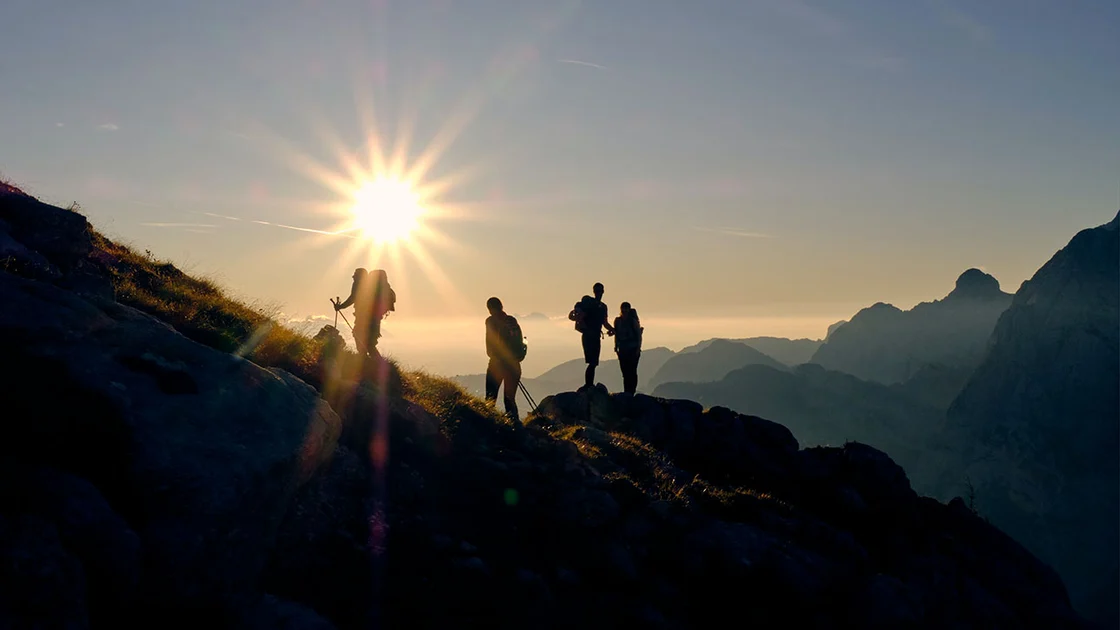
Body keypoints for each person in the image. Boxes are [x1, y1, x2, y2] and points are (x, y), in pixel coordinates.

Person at [334, 268, 395, 358]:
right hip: (375, 318)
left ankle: (367, 360)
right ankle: (369, 361)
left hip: (364, 318)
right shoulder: (372, 286)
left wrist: (340, 307)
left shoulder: (359, 283)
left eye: (355, 275)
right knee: (369, 342)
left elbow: (352, 298)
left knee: (360, 337)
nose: (353, 277)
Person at [484, 297, 525, 421]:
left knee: (490, 398)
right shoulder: (512, 321)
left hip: (497, 365)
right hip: (514, 365)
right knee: (509, 398)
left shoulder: (490, 321)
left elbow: (490, 346)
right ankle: (515, 426)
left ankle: (488, 424)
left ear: (490, 309)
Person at [569, 282, 614, 390]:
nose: (599, 293)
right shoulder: (597, 306)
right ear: (595, 292)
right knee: (592, 362)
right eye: (597, 291)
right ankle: (589, 385)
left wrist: (613, 330)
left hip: (592, 335)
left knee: (593, 362)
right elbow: (604, 323)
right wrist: (613, 330)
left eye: (600, 291)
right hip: (590, 335)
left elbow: (605, 323)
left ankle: (589, 385)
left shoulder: (601, 307)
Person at [613, 301, 643, 394]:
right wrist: (616, 346)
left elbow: (638, 336)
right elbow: (616, 334)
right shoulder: (618, 321)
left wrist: (638, 348)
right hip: (623, 349)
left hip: (632, 349)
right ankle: (627, 391)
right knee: (625, 372)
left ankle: (631, 391)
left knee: (632, 371)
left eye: (626, 308)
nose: (625, 310)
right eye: (623, 308)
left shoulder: (632, 321)